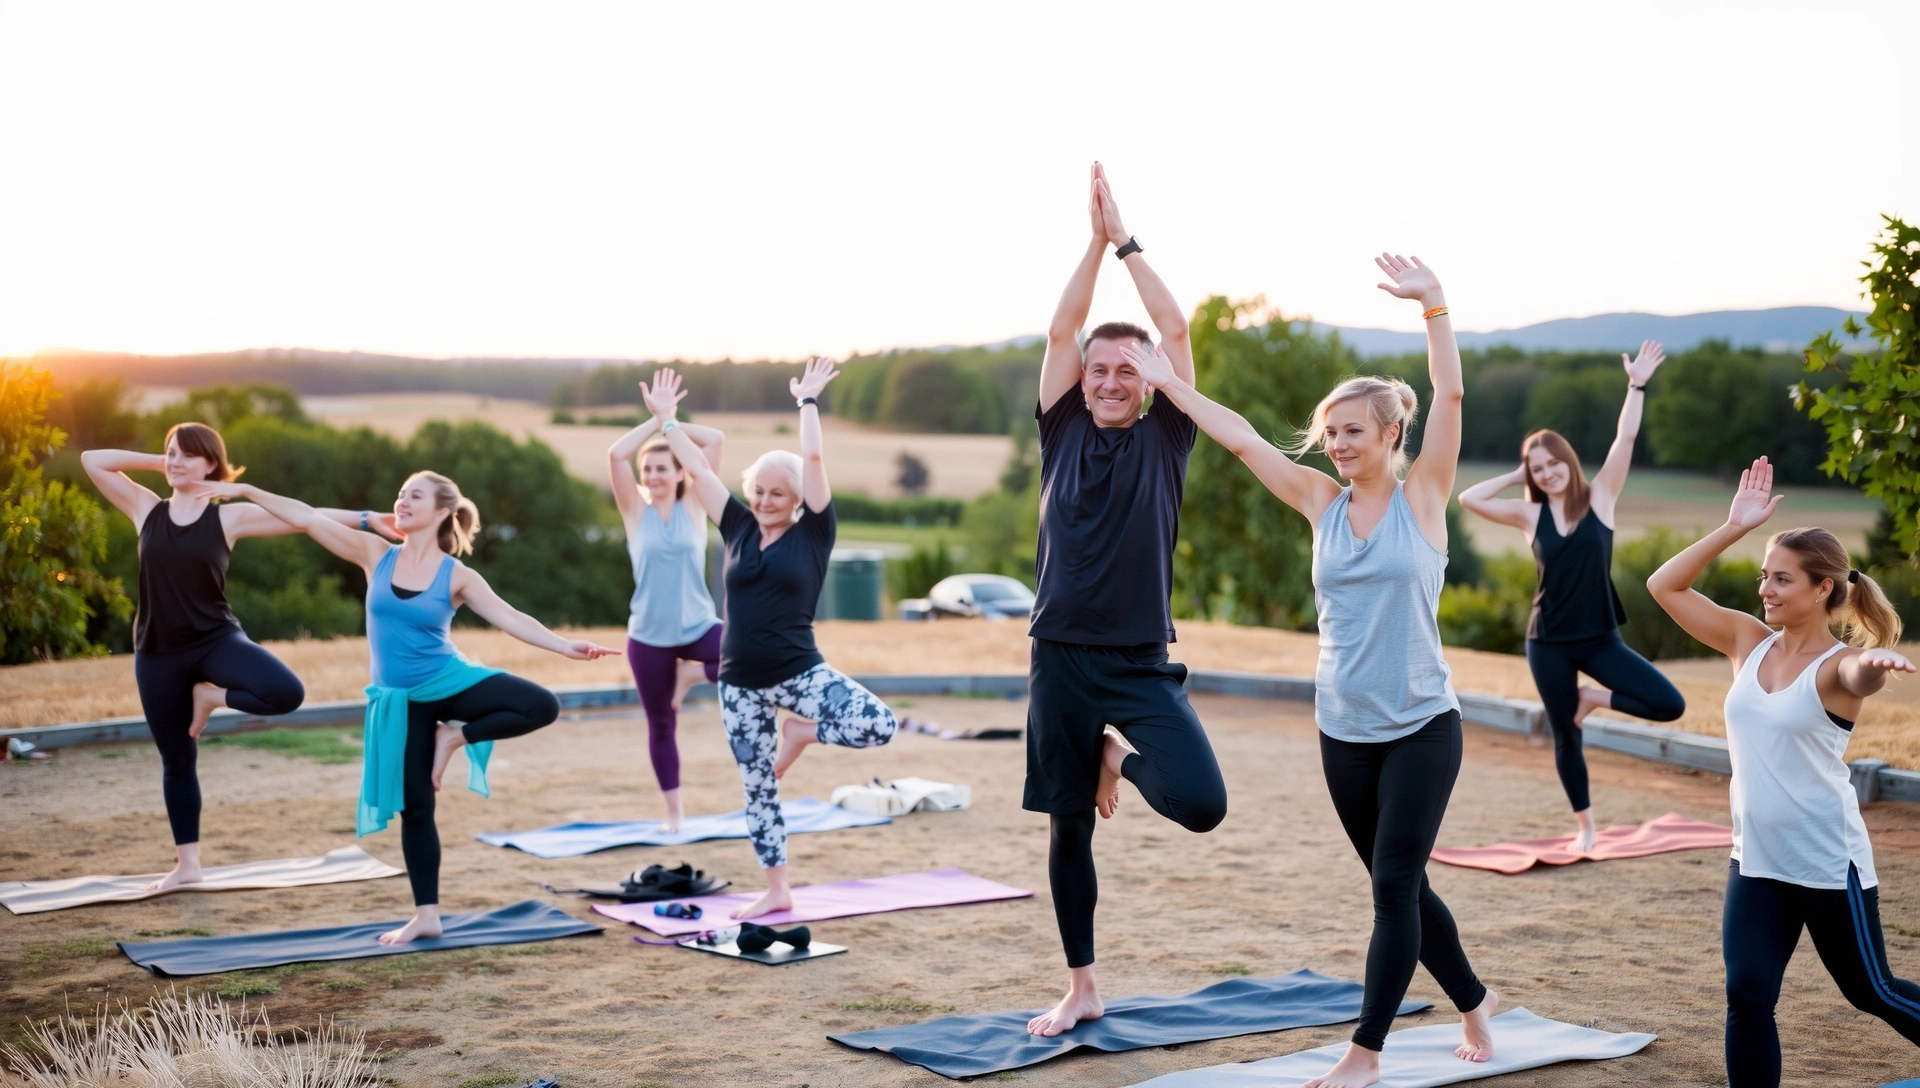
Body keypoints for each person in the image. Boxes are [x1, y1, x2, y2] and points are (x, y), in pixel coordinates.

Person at [1120, 253, 1496, 1086]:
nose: (1336, 445)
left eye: (1352, 431)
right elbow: (1245, 438)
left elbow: (1454, 397)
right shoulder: (1319, 504)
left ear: (1391, 434)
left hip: (1424, 724)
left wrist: (1435, 306)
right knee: (1400, 885)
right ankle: (1475, 1000)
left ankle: (1364, 1053)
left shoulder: (1423, 496)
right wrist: (1170, 386)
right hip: (1343, 729)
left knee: (1392, 889)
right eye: (1330, 433)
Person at [200, 471, 617, 945]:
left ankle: (454, 736)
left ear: (442, 511)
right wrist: (250, 490)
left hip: (448, 681)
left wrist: (564, 647)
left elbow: (509, 616)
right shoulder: (374, 553)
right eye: (399, 494)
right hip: (401, 702)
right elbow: (306, 517)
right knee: (417, 808)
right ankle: (426, 915)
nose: (401, 502)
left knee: (541, 705)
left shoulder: (457, 574)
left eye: (413, 496)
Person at [1022, 162, 1228, 1039]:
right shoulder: (1062, 424)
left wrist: (1129, 242)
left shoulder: (1170, 435)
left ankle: (1116, 756)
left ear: (1149, 380)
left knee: (1201, 802)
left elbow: (1177, 325)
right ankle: (1082, 986)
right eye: (1099, 368)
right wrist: (1091, 242)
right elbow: (1066, 323)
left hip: (1141, 661)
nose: (1109, 379)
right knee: (1070, 832)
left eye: (1127, 369)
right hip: (1059, 658)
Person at [1646, 456, 1919, 1086]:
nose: (1765, 590)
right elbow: (1666, 586)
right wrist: (1734, 527)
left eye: (1782, 580)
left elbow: (1856, 676)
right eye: (1764, 577)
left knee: (1872, 992)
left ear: (1823, 588)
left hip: (1826, 861)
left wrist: (1875, 661)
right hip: (1757, 860)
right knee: (1746, 997)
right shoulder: (1748, 641)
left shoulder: (1837, 667)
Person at [641, 363, 898, 921]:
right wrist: (668, 422)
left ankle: (803, 731)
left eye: (777, 493)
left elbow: (813, 460)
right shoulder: (735, 524)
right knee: (757, 787)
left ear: (796, 498)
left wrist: (807, 402)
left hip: (799, 672)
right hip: (738, 685)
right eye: (758, 490)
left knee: (878, 724)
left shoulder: (814, 534)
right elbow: (696, 471)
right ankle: (777, 889)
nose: (764, 499)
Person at [82, 424, 348, 893]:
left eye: (188, 454)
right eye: (171, 452)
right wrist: (160, 462)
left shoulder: (229, 518)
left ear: (212, 463)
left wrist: (367, 519)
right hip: (158, 653)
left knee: (286, 691)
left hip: (216, 641)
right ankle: (188, 866)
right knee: (178, 759)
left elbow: (308, 516)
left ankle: (211, 696)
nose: (175, 460)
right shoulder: (146, 508)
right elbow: (92, 458)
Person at [1457, 341, 1686, 850]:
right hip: (1549, 642)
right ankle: (1585, 827)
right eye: (1537, 470)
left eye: (1551, 463)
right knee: (1566, 735)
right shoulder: (1529, 514)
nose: (1547, 473)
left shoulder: (1601, 496)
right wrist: (1518, 472)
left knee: (1668, 702)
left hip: (1601, 639)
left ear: (1567, 460)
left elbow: (1626, 437)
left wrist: (1637, 384)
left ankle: (1593, 697)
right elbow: (1469, 497)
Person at [608, 401, 727, 832]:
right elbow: (615, 455)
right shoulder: (633, 512)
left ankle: (690, 676)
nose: (654, 477)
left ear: (681, 473)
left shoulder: (696, 503)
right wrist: (653, 422)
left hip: (699, 627)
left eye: (663, 468)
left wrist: (671, 423)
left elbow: (714, 440)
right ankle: (674, 814)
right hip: (649, 637)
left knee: (749, 653)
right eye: (649, 470)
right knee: (662, 724)